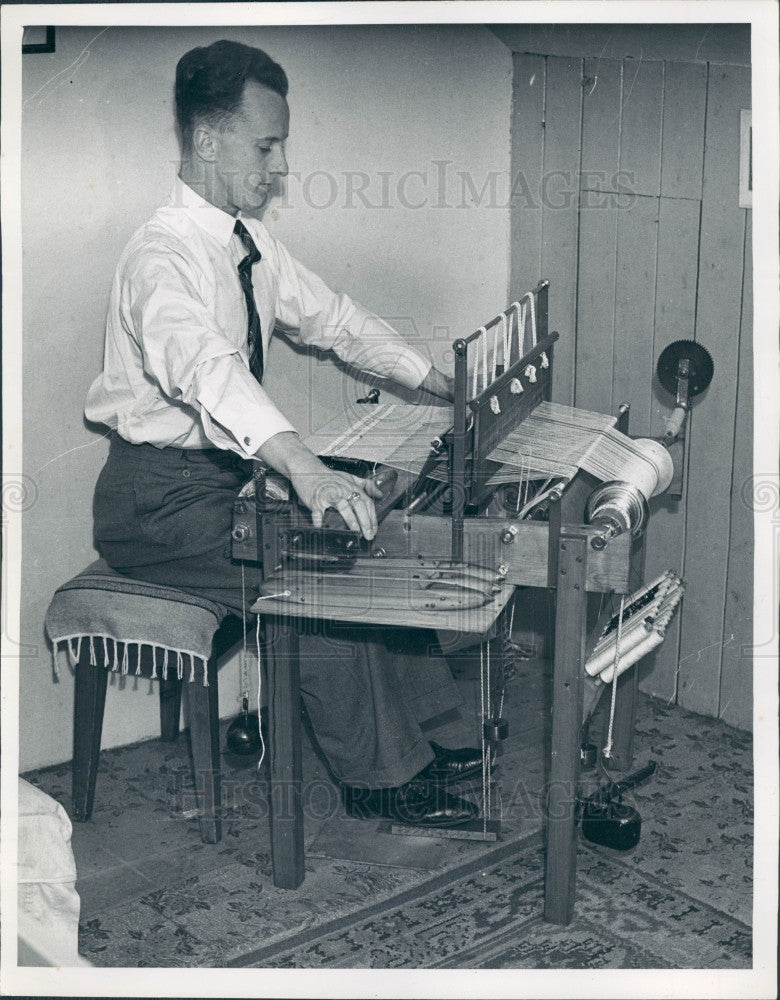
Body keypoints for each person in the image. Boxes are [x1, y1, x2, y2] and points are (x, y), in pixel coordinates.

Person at [85, 39, 482, 827]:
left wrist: (430, 376)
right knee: (318, 563)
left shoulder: (249, 242)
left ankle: (434, 736)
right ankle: (380, 776)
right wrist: (305, 467)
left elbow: (330, 318)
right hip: (154, 502)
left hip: (221, 481)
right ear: (207, 141)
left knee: (366, 530)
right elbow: (206, 370)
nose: (280, 168)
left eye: (283, 146)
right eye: (267, 146)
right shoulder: (159, 259)